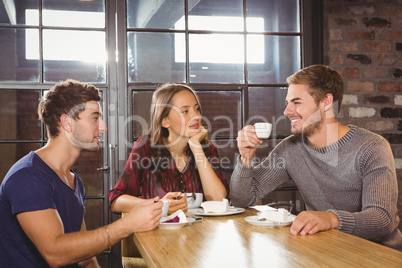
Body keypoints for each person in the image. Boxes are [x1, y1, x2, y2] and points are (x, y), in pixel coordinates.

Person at [230, 64, 402, 251]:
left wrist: (329, 218)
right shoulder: (290, 148)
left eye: (297, 102)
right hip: (326, 250)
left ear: (326, 101)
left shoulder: (372, 147)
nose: (287, 111)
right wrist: (245, 158)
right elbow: (242, 201)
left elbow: (382, 220)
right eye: (288, 103)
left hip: (379, 254)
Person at [0, 79, 163, 267]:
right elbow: (55, 253)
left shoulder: (72, 180)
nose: (103, 127)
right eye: (95, 117)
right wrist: (127, 225)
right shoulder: (27, 177)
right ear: (67, 122)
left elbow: (85, 257)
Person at [109, 83, 228, 214]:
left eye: (197, 109)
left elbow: (219, 201)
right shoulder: (146, 146)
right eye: (185, 111)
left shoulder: (206, 149)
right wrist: (161, 204)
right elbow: (116, 201)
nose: (197, 116)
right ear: (165, 121)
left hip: (200, 232)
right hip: (158, 232)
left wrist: (196, 148)